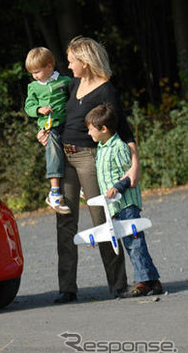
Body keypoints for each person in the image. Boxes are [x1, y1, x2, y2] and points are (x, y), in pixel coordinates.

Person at [38, 36, 139, 304]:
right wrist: (45, 132)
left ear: (85, 61)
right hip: (65, 158)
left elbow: (123, 128)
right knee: (65, 221)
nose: (68, 65)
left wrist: (135, 164)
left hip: (89, 158)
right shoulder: (72, 85)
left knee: (103, 219)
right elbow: (59, 117)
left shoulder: (106, 90)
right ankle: (67, 288)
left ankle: (118, 285)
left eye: (71, 61)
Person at [85, 103, 162, 297]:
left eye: (90, 129)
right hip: (115, 206)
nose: (88, 133)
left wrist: (118, 188)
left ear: (103, 129)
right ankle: (152, 280)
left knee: (134, 242)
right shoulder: (101, 148)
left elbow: (130, 175)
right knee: (130, 242)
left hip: (126, 203)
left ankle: (144, 281)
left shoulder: (118, 147)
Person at [24, 47, 71, 214]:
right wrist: (38, 109)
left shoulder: (64, 81)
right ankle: (55, 192)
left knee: (76, 150)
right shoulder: (34, 87)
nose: (35, 76)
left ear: (50, 67)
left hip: (68, 124)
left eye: (37, 71)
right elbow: (28, 107)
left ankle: (79, 184)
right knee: (54, 152)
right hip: (49, 127)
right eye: (32, 73)